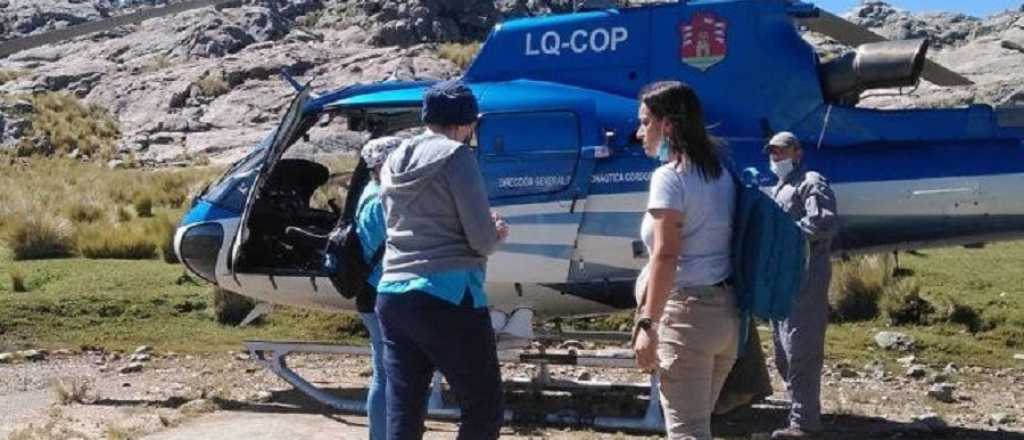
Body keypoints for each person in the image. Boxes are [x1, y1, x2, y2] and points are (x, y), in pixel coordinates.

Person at [376, 79, 510, 440]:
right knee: (482, 405)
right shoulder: (456, 156)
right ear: (465, 122)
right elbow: (481, 241)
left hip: (392, 293)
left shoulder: (392, 161)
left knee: (404, 407)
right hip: (448, 293)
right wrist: (496, 231)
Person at [631, 81, 738, 440]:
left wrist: (647, 323)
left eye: (646, 122)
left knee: (687, 433)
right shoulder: (719, 174)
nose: (639, 132)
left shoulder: (669, 178)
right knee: (698, 426)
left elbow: (666, 254)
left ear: (669, 126)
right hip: (725, 316)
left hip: (687, 317)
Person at [763, 132, 838, 440]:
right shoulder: (779, 187)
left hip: (806, 276)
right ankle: (798, 413)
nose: (776, 157)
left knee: (801, 348)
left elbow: (823, 222)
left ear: (797, 152)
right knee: (782, 352)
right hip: (782, 278)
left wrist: (784, 233)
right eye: (772, 152)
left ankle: (805, 423)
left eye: (782, 151)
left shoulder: (811, 181)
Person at [354, 136, 404, 440]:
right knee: (386, 374)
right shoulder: (379, 199)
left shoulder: (372, 193)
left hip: (374, 290)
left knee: (386, 371)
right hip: (379, 291)